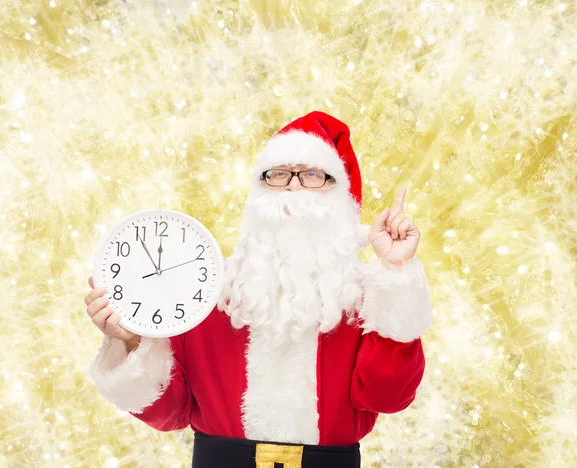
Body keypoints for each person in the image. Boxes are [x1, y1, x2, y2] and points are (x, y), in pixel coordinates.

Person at [85, 110, 433, 468]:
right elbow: (169, 413)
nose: (294, 186)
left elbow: (387, 397)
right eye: (279, 175)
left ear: (341, 197)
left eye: (313, 175)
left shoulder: (364, 299)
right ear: (257, 192)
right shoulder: (207, 292)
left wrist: (395, 272)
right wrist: (129, 342)